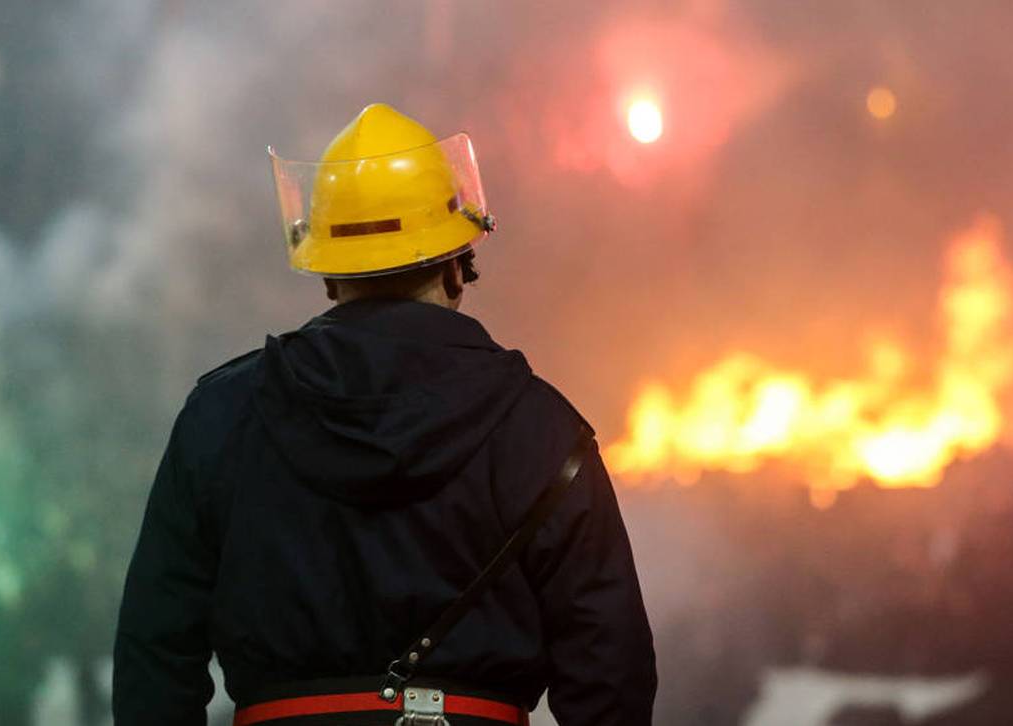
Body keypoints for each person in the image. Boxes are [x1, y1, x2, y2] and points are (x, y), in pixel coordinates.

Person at [113, 104, 656, 726]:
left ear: (327, 274)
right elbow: (612, 671)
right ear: (459, 265)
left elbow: (154, 653)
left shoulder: (221, 417)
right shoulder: (544, 432)